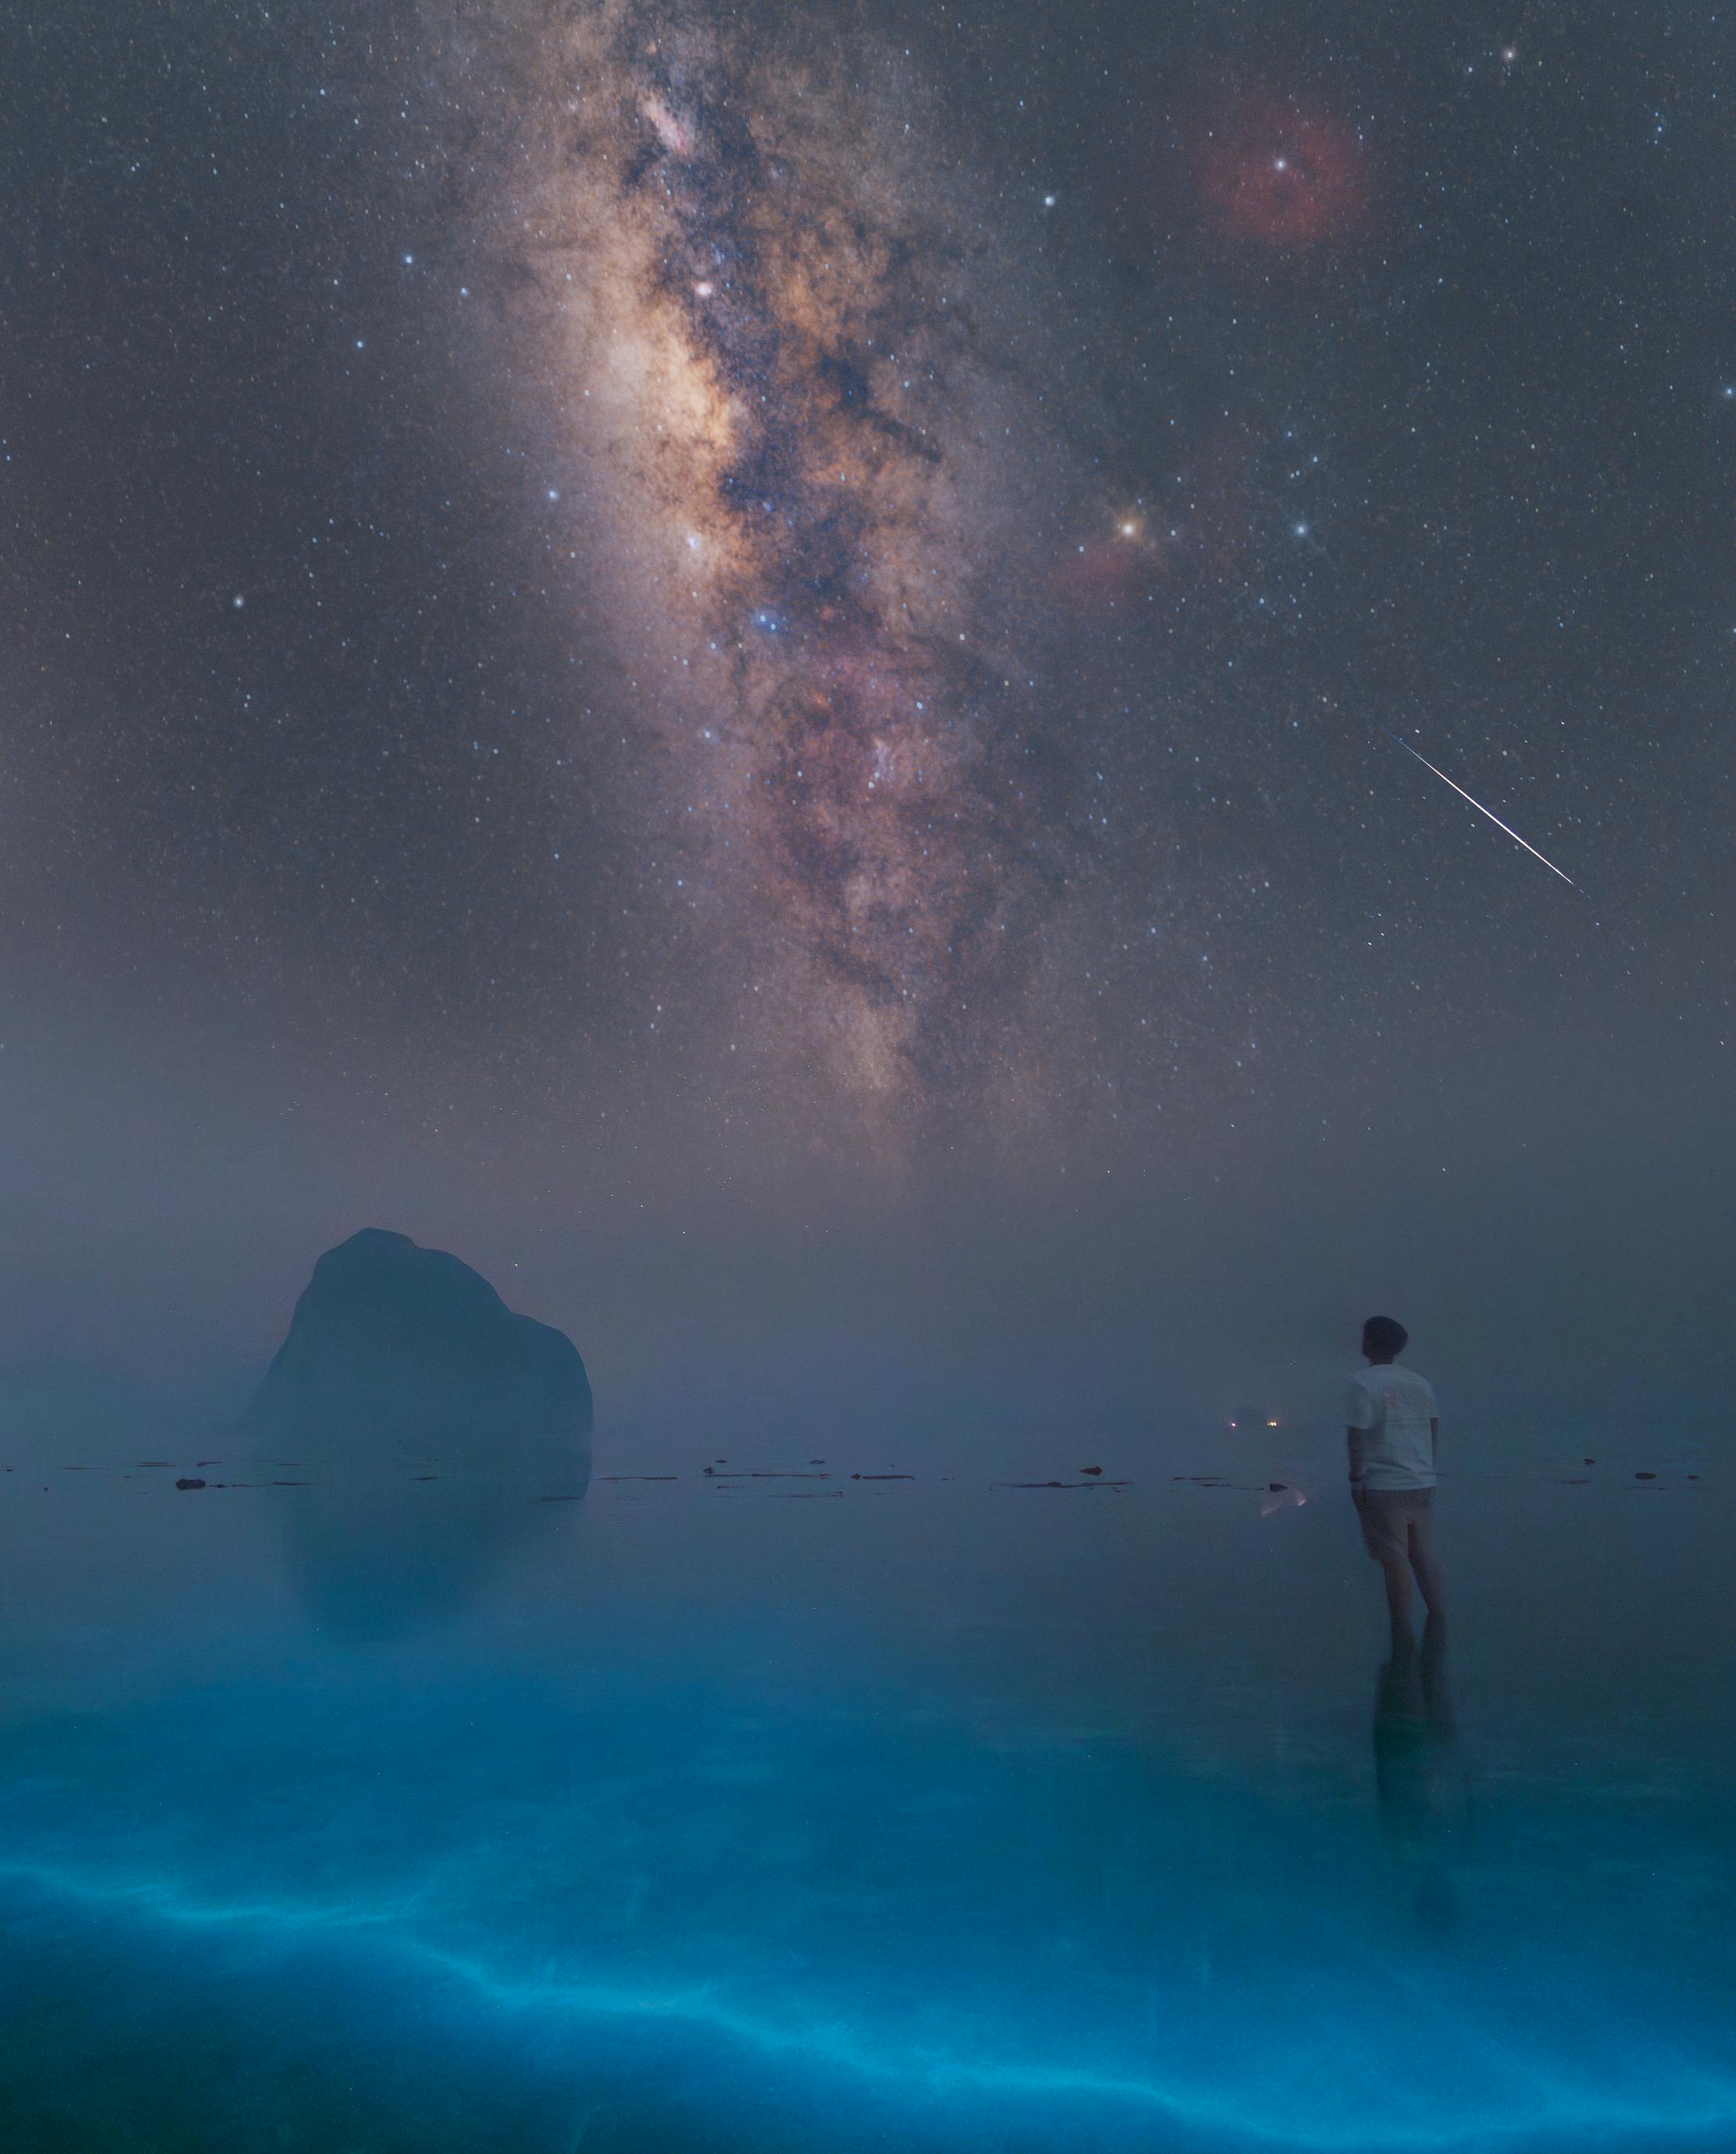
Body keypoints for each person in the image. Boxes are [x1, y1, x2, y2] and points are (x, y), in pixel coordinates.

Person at [1347, 1316, 1443, 1639]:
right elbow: (1432, 1431)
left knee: (1394, 1559)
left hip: (1385, 1484)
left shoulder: (1363, 1383)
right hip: (1422, 1480)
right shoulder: (1420, 1383)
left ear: (1368, 1344)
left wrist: (1356, 1478)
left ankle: (1402, 1635)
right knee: (1424, 1556)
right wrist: (1426, 1469)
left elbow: (1357, 1437)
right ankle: (1438, 1624)